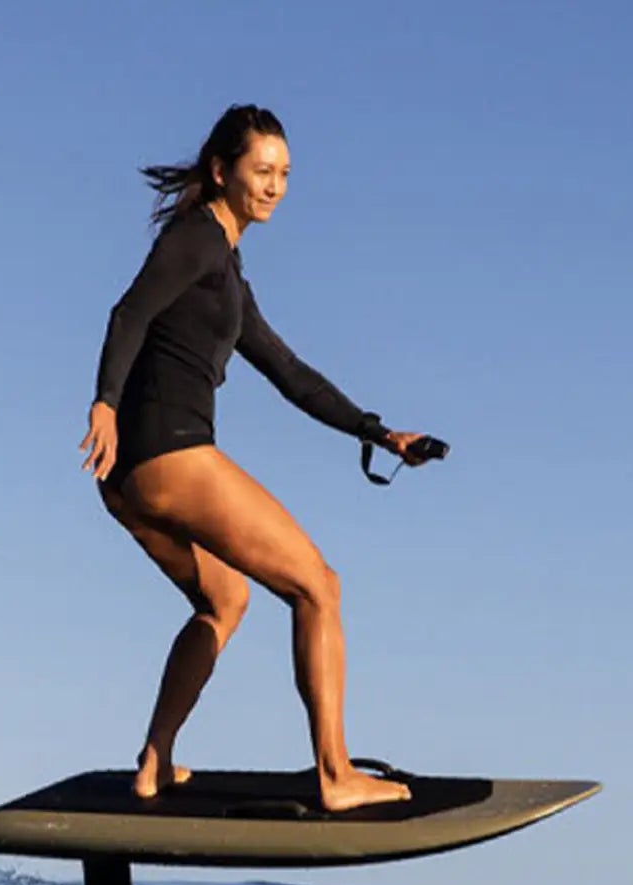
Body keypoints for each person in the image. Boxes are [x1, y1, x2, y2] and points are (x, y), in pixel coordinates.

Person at [78, 104, 439, 813]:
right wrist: (105, 402)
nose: (275, 185)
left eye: (285, 174)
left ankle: (155, 761)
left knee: (224, 598)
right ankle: (336, 774)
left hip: (128, 476)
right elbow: (128, 313)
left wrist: (376, 431)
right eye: (261, 170)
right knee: (318, 587)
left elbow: (287, 371)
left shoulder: (225, 270)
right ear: (222, 170)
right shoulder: (197, 239)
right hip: (166, 451)